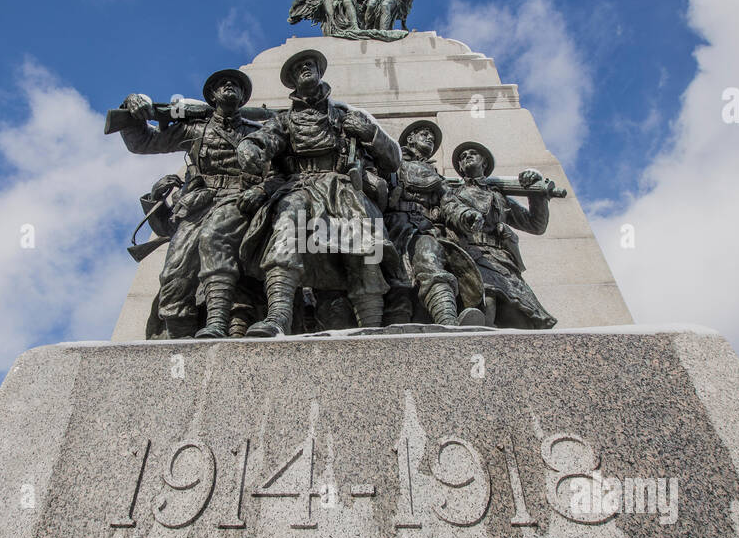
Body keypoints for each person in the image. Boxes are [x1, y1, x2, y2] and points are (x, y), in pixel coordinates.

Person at [236, 49, 402, 336]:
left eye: (310, 64)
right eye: (298, 67)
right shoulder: (283, 120)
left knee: (364, 249)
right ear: (291, 81)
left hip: (344, 189)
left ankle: (373, 326)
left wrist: (369, 133)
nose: (305, 68)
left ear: (320, 71)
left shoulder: (345, 114)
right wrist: (252, 146)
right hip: (299, 186)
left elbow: (393, 160)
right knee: (288, 224)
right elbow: (266, 139)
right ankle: (278, 317)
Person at [120, 69, 276, 338]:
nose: (229, 87)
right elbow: (144, 142)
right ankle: (181, 344)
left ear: (243, 97)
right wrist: (132, 108)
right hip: (199, 205)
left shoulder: (258, 132)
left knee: (217, 246)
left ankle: (224, 322)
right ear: (212, 96)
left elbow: (281, 170)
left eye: (236, 85)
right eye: (222, 84)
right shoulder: (194, 128)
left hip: (241, 202)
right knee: (173, 277)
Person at [443, 141, 557, 329]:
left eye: (473, 153)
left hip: (502, 259)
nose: (467, 157)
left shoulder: (498, 197)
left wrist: (537, 193)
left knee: (520, 315)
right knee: (487, 299)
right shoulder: (452, 194)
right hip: (469, 254)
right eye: (463, 157)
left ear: (484, 163)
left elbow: (536, 225)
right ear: (461, 168)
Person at [385, 121, 484, 325]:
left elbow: (449, 201)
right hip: (391, 228)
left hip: (423, 228)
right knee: (395, 283)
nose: (430, 138)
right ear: (410, 138)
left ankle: (448, 322)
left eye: (432, 136)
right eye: (424, 134)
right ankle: (397, 329)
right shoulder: (390, 163)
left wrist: (466, 214)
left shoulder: (434, 176)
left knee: (429, 263)